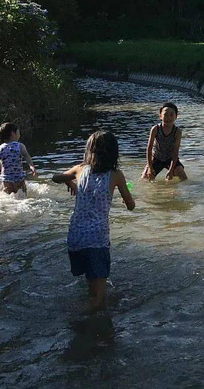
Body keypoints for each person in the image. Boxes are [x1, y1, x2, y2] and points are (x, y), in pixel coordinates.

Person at [52, 130, 135, 310]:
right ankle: (82, 323)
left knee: (90, 282)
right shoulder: (116, 175)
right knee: (97, 297)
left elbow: (55, 177)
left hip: (75, 237)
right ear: (114, 153)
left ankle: (85, 314)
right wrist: (125, 198)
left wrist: (70, 182)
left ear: (89, 150)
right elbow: (131, 206)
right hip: (97, 240)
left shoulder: (80, 169)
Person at [141, 102, 187, 181]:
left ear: (176, 117)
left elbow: (175, 152)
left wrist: (171, 170)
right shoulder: (155, 129)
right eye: (166, 114)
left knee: (183, 177)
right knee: (144, 179)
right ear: (160, 116)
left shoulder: (177, 132)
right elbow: (149, 149)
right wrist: (149, 167)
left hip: (170, 158)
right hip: (156, 158)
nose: (168, 117)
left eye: (172, 114)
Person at [0, 122, 36, 194]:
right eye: (18, 132)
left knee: (9, 197)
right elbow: (26, 156)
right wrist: (31, 165)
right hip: (19, 178)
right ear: (12, 134)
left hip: (6, 179)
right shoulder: (20, 146)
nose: (19, 134)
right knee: (23, 197)